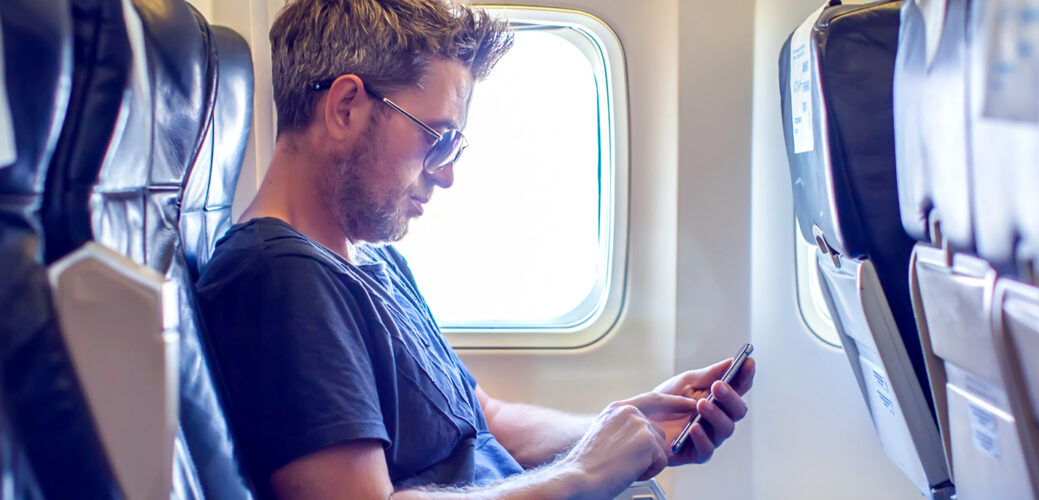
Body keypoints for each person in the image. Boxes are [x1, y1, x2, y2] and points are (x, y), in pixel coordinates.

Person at [194, 0, 756, 498]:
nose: (446, 175)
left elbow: (487, 419)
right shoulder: (280, 281)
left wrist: (629, 424)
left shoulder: (372, 259)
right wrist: (585, 472)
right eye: (437, 138)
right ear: (345, 108)